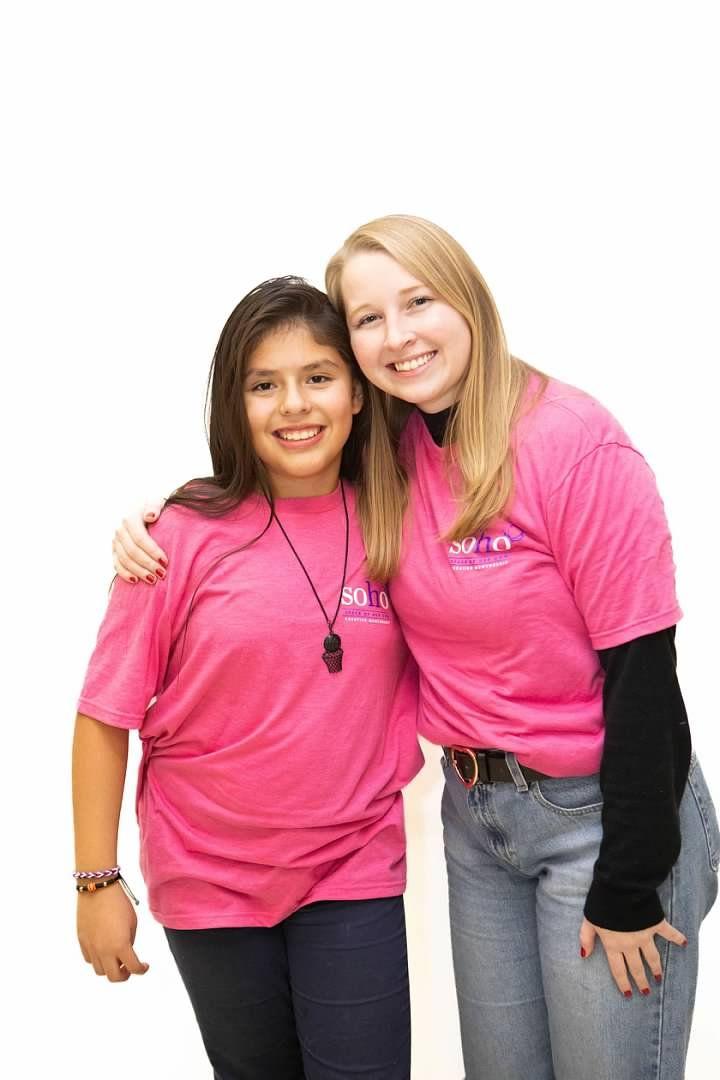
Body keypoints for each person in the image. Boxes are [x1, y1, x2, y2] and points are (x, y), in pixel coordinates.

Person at [112, 218, 720, 1080]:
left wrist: (631, 877)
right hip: (478, 821)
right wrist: (165, 516)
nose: (397, 337)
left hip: (605, 818)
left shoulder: (573, 443)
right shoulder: (392, 453)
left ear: (466, 298)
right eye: (368, 319)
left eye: (418, 302)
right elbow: (283, 488)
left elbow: (646, 673)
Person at [73, 276, 423, 1080]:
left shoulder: (399, 520)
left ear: (359, 393)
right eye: (264, 385)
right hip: (210, 875)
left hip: (352, 863)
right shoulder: (177, 537)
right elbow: (103, 714)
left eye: (318, 377)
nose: (294, 405)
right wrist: (96, 881)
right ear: (234, 402)